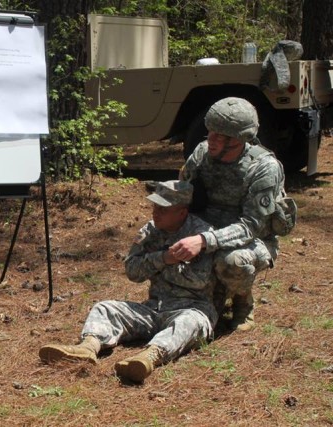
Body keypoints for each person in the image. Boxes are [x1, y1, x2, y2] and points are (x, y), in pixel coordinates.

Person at [39, 180, 217, 383]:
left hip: (192, 308)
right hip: (154, 309)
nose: (155, 213)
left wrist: (155, 266)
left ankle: (149, 357)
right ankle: (88, 347)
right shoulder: (150, 230)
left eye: (163, 209)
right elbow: (132, 271)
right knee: (105, 308)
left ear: (182, 213)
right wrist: (165, 259)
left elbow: (198, 281)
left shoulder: (202, 236)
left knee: (187, 324)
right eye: (154, 206)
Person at [172, 97, 289, 332]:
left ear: (239, 139)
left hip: (251, 240)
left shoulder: (264, 167)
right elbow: (182, 194)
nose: (211, 140)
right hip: (205, 230)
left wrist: (204, 241)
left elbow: (251, 226)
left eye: (220, 136)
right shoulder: (202, 153)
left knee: (231, 263)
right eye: (211, 132)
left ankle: (243, 302)